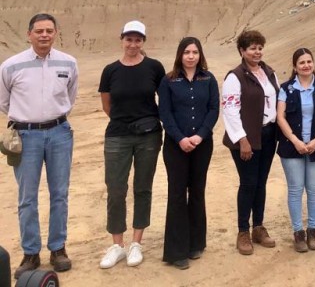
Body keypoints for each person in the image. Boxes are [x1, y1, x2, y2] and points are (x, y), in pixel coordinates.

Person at [0, 13, 78, 279]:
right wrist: (27, 119)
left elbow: (71, 95)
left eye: (49, 30)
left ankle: (58, 249)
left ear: (56, 33)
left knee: (59, 194)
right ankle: (30, 253)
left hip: (59, 132)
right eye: (39, 31)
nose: (44, 35)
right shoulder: (11, 65)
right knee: (27, 197)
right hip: (26, 136)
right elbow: (4, 101)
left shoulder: (68, 62)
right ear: (29, 34)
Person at [98, 21, 166, 268]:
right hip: (117, 135)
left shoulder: (154, 67)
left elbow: (165, 99)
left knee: (142, 187)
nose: (133, 44)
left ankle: (136, 242)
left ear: (143, 42)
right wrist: (125, 122)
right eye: (129, 39)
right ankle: (117, 244)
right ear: (122, 40)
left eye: (138, 40)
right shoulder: (110, 70)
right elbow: (107, 105)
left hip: (148, 137)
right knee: (116, 189)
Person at [157, 37, 219, 269]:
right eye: (186, 52)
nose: (191, 56)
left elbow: (213, 109)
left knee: (197, 192)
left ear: (200, 55)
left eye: (195, 52)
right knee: (176, 194)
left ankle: (195, 244)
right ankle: (176, 251)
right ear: (179, 55)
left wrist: (200, 135)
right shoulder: (169, 80)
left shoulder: (208, 79)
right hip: (176, 145)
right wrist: (181, 138)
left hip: (202, 144)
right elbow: (165, 112)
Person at [221, 29, 280, 255]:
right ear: (242, 51)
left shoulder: (269, 72)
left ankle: (258, 227)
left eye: (259, 47)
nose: (257, 52)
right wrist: (242, 139)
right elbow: (230, 110)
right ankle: (243, 231)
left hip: (268, 134)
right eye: (252, 48)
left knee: (261, 182)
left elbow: (276, 100)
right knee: (248, 183)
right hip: (245, 138)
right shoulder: (235, 77)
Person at [276, 48, 315, 252]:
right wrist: (294, 140)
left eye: (309, 61)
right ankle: (298, 233)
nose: (306, 65)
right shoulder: (285, 88)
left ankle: (313, 230)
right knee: (295, 189)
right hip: (292, 147)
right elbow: (280, 117)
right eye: (301, 62)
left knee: (314, 188)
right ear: (295, 66)